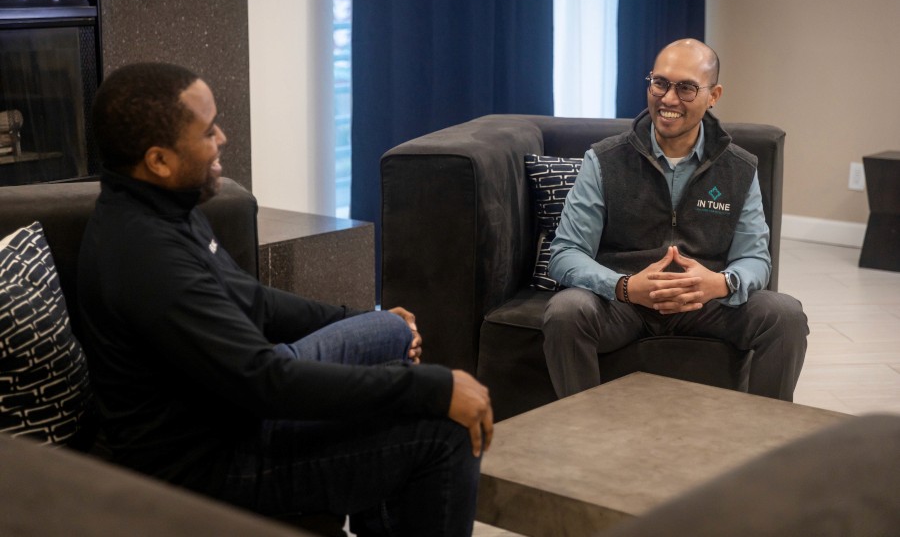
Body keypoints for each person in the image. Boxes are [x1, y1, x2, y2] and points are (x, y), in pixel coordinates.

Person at [77, 62, 493, 537]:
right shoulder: (148, 260)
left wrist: (359, 318)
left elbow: (255, 302)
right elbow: (266, 382)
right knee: (445, 431)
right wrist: (432, 389)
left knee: (390, 331)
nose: (223, 138)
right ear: (159, 161)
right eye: (208, 131)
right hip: (210, 464)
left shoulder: (166, 207)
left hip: (234, 410)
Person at [543, 38, 808, 402]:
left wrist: (720, 283)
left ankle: (767, 433)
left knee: (785, 315)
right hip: (623, 303)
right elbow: (566, 253)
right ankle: (580, 427)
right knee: (566, 311)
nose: (668, 98)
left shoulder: (739, 168)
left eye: (686, 87)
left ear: (713, 95)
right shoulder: (604, 160)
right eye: (660, 83)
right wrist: (624, 286)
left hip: (705, 304)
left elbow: (755, 259)